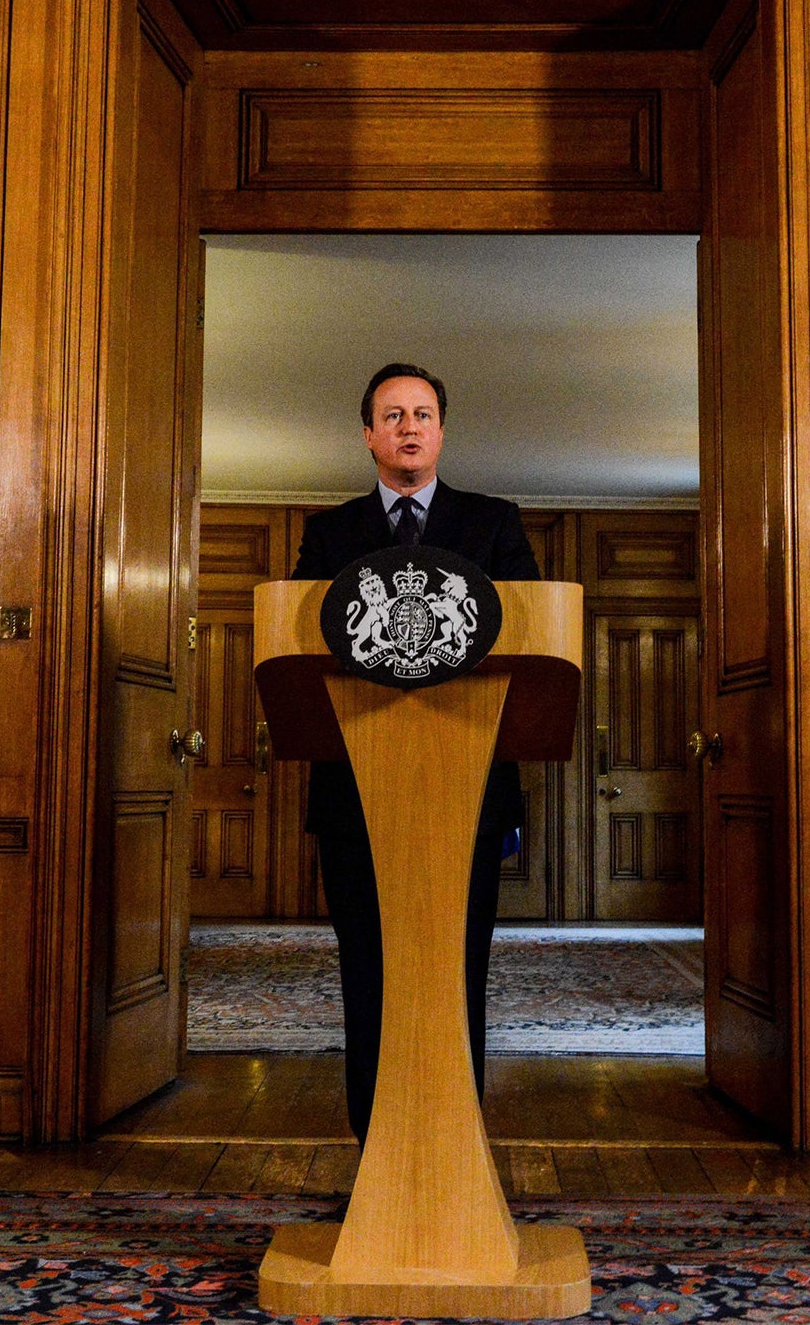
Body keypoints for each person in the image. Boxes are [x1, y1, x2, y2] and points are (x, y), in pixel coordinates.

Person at [291, 362, 540, 1143]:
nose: (408, 426)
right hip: (355, 795)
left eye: (423, 413)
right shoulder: (328, 533)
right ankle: (375, 1154)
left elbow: (531, 633)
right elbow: (299, 641)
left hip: (465, 789)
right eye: (392, 414)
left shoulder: (495, 523)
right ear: (368, 434)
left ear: (442, 431)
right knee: (368, 973)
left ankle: (457, 1145)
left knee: (458, 972)